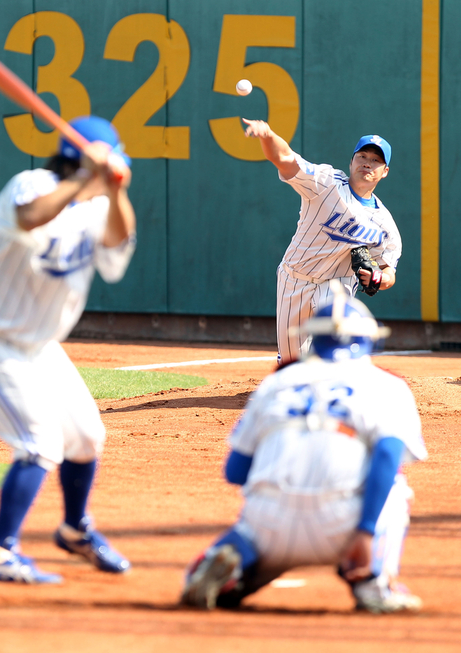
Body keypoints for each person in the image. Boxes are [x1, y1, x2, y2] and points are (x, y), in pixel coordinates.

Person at [181, 284, 427, 613]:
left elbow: (235, 471)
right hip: (343, 526)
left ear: (313, 337)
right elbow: (386, 457)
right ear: (369, 338)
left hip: (270, 523)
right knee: (395, 484)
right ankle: (373, 582)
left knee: (256, 523)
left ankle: (233, 560)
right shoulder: (387, 385)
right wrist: (362, 530)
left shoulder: (276, 382)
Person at [0, 116, 136, 583]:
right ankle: (0, 553)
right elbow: (32, 216)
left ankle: (73, 528)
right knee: (38, 443)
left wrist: (116, 191)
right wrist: (87, 178)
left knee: (86, 438)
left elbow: (116, 242)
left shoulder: (98, 209)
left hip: (40, 346)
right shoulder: (31, 184)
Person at [243, 119, 401, 364]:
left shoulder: (385, 224)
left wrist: (379, 279)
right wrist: (267, 135)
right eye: (362, 156)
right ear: (351, 162)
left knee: (337, 351)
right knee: (292, 362)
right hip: (294, 278)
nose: (367, 163)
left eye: (376, 160)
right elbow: (284, 158)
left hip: (336, 285)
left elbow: (389, 272)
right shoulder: (326, 183)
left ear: (385, 171)